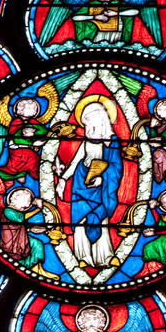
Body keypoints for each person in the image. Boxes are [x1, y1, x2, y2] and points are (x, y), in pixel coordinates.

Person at [59, 99, 123, 268]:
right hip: (81, 184)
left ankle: (105, 257)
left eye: (90, 120)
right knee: (80, 220)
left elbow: (117, 167)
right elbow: (74, 163)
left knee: (101, 220)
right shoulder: (85, 142)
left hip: (102, 187)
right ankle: (83, 257)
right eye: (86, 122)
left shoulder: (112, 142)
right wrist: (63, 180)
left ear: (101, 119)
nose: (87, 125)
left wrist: (103, 179)